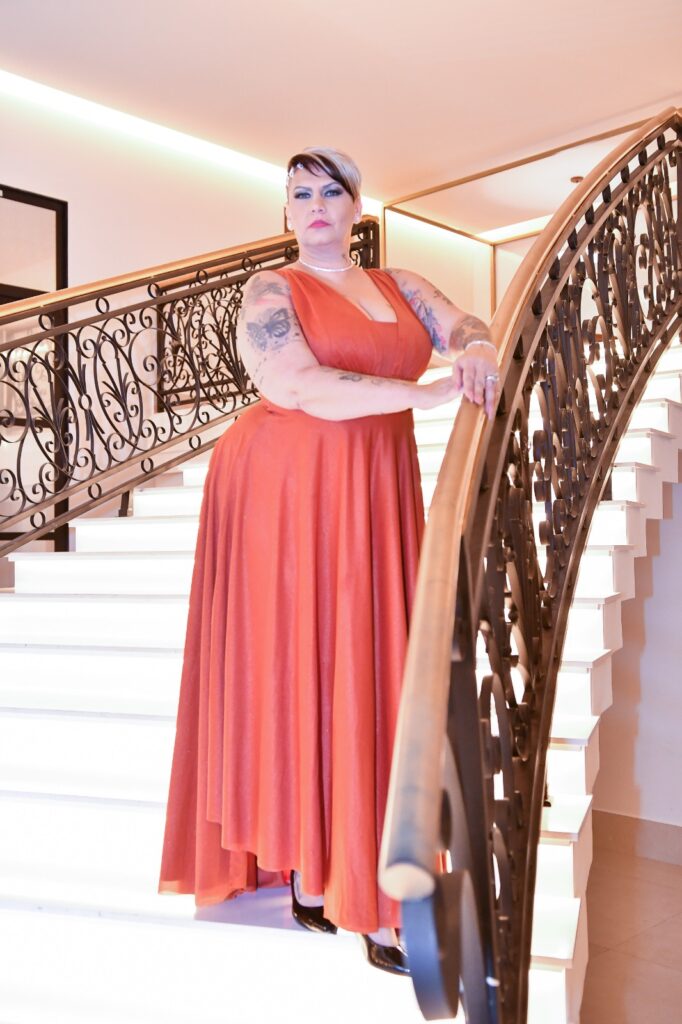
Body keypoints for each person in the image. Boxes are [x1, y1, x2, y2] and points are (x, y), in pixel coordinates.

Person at [158, 146, 499, 975]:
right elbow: (298, 386)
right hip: (283, 484)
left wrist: (476, 349)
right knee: (296, 665)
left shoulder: (400, 284)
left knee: (369, 666)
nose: (314, 204)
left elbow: (463, 324)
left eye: (329, 192)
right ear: (286, 213)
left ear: (355, 209)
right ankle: (310, 865)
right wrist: (426, 394)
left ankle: (350, 875)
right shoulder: (269, 290)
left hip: (373, 480)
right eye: (299, 193)